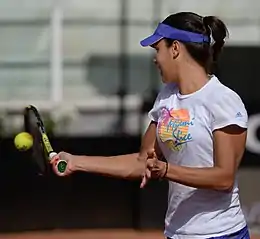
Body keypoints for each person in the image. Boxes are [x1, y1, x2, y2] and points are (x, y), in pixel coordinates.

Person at [51, 12, 250, 239]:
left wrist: (166, 170)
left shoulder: (222, 100)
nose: (155, 58)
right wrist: (76, 162)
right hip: (177, 233)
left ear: (175, 48)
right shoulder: (166, 97)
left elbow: (223, 178)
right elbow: (142, 162)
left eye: (158, 49)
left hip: (221, 234)